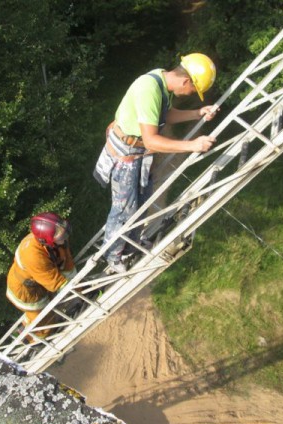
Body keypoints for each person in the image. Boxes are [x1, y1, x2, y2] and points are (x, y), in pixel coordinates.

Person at [93, 53, 219, 274]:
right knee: (124, 209)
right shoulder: (149, 87)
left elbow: (165, 115)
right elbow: (152, 139)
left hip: (138, 151)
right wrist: (192, 145)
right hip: (126, 154)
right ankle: (113, 255)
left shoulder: (162, 83)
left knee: (141, 202)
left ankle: (130, 246)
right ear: (185, 81)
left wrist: (197, 113)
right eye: (193, 91)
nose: (191, 94)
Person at [6, 212, 77, 339]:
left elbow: (66, 262)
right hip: (25, 292)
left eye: (66, 233)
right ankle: (35, 342)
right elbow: (56, 283)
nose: (66, 238)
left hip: (38, 282)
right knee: (44, 319)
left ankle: (23, 328)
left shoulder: (54, 241)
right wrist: (77, 290)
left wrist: (78, 284)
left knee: (40, 312)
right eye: (62, 236)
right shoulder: (33, 256)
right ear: (47, 239)